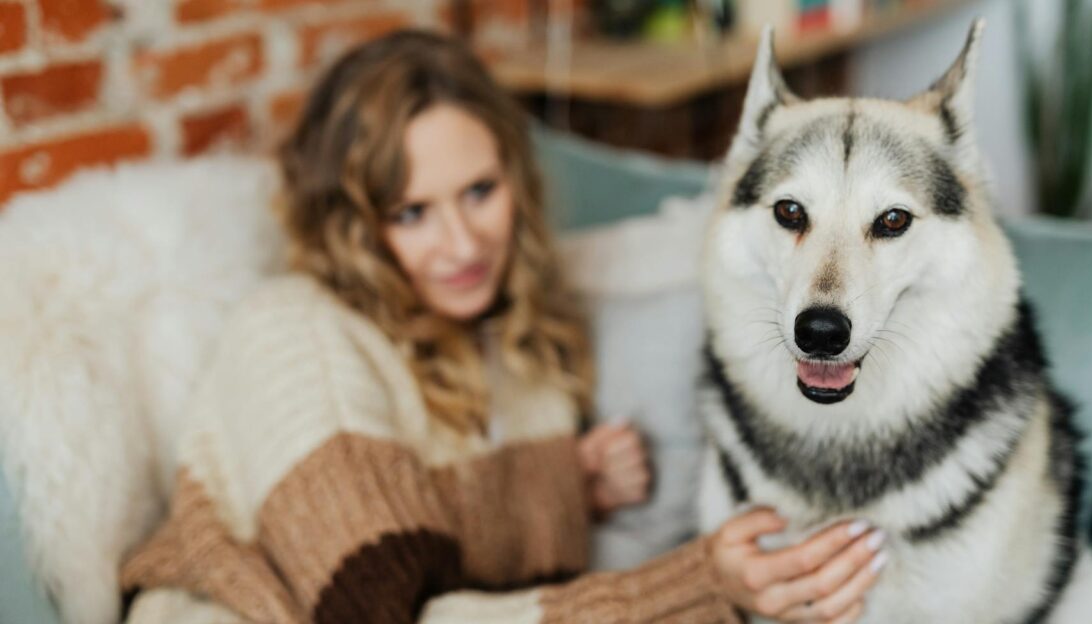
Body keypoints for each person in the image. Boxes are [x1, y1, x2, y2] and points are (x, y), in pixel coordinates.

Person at [119, 29, 885, 624]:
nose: (461, 244)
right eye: (411, 212)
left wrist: (561, 487)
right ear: (351, 223)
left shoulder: (524, 356)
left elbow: (445, 541)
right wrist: (695, 581)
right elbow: (378, 609)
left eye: (479, 191)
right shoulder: (297, 332)